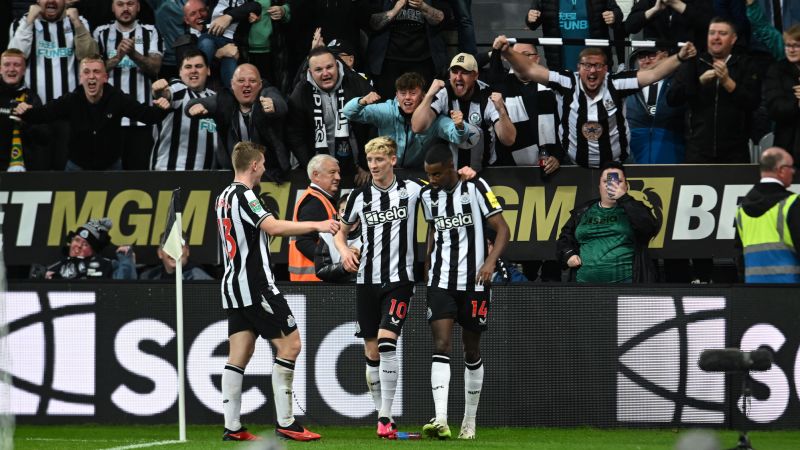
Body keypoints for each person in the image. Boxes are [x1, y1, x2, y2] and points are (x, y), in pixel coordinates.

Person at [215, 141, 338, 441]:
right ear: (255, 165)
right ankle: (286, 422)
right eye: (264, 163)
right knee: (291, 345)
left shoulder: (222, 197)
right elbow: (273, 228)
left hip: (233, 284)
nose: (266, 169)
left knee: (239, 353)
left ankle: (232, 427)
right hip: (257, 285)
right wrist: (317, 225)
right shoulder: (245, 195)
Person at [333, 136, 425, 438]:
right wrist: (345, 251)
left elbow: (444, 192)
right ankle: (381, 420)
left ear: (393, 161)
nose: (373, 165)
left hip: (399, 280)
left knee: (387, 342)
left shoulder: (412, 190)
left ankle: (386, 415)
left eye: (379, 160)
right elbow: (340, 232)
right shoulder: (359, 196)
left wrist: (466, 175)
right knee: (371, 350)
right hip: (366, 281)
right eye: (370, 160)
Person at [494, 35, 697, 169]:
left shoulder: (617, 83)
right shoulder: (567, 81)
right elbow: (529, 69)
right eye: (587, 66)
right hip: (575, 166)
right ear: (578, 67)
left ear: (606, 69)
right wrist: (508, 51)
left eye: (598, 66)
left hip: (617, 164)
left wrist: (680, 56)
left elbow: (653, 73)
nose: (592, 71)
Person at [419, 144, 510, 440]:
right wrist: (428, 265)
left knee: (471, 349)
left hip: (476, 285)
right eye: (428, 175)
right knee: (441, 345)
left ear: (451, 167)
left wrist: (490, 262)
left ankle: (469, 421)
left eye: (436, 174)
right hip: (441, 282)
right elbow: (433, 231)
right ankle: (442, 419)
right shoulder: (427, 197)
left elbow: (503, 229)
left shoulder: (476, 188)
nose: (432, 180)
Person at [13, 55, 171, 171]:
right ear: (81, 78)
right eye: (87, 72)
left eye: (96, 72)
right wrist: (25, 111)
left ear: (105, 77)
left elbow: (148, 116)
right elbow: (43, 114)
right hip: (76, 167)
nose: (91, 77)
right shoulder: (72, 99)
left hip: (111, 167)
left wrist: (162, 105)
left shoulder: (117, 98)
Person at [9, 0, 99, 170]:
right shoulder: (21, 23)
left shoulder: (79, 22)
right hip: (35, 114)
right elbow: (15, 60)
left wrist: (77, 23)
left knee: (66, 175)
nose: (51, 1)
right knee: (38, 174)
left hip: (69, 116)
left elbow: (91, 57)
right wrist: (30, 21)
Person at [666, 17, 761, 164]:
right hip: (697, 150)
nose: (716, 37)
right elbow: (672, 98)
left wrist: (728, 83)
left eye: (722, 33)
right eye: (712, 33)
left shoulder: (746, 64)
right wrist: (699, 83)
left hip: (735, 151)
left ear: (733, 38)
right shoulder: (694, 63)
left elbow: (753, 102)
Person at [556, 161, 660, 282]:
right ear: (599, 186)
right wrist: (568, 254)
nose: (611, 185)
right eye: (606, 181)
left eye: (618, 181)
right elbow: (564, 238)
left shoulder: (634, 208)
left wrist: (624, 198)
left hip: (626, 286)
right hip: (584, 286)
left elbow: (649, 227)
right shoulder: (582, 211)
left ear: (626, 186)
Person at [411, 52, 516, 171]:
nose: (458, 77)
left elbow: (509, 140)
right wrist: (429, 94)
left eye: (465, 72)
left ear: (475, 75)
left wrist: (501, 110)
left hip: (485, 172)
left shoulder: (488, 96)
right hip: (451, 173)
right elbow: (417, 127)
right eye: (454, 72)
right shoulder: (444, 92)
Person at [343, 71, 470, 169]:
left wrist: (460, 126)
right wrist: (361, 101)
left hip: (419, 174)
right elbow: (348, 113)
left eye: (413, 93)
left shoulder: (431, 117)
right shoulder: (386, 111)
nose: (407, 98)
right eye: (403, 93)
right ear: (397, 95)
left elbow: (458, 137)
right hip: (388, 172)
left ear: (423, 95)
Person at [94, 0, 164, 170]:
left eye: (130, 3)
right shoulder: (100, 33)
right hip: (108, 121)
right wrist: (117, 57)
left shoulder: (150, 31)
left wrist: (134, 55)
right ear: (112, 7)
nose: (125, 8)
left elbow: (155, 68)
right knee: (107, 177)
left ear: (138, 7)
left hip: (141, 121)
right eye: (120, 4)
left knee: (139, 176)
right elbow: (92, 73)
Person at [286, 46, 372, 183]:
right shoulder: (300, 93)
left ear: (337, 66)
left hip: (358, 170)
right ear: (310, 72)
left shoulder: (357, 83)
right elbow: (295, 136)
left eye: (329, 67)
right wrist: (312, 168)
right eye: (318, 70)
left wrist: (366, 164)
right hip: (320, 170)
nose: (325, 73)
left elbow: (372, 127)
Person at [186, 63, 289, 176]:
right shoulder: (225, 100)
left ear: (260, 85)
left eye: (252, 81)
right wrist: (193, 107)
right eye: (241, 81)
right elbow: (200, 103)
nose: (247, 85)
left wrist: (274, 105)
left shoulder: (266, 94)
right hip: (233, 173)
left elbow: (280, 103)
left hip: (269, 172)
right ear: (232, 84)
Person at [484, 42, 561, 170]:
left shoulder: (552, 87)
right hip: (513, 171)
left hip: (549, 165)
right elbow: (493, 73)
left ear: (537, 58)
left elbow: (563, 125)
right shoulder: (501, 86)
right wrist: (496, 49)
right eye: (515, 55)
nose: (520, 60)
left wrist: (557, 155)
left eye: (526, 55)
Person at [735, 147, 800, 283]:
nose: (793, 171)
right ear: (781, 170)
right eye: (791, 167)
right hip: (791, 293)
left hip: (756, 293)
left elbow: (739, 257)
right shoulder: (792, 204)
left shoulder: (742, 209)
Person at [363, 0, 449, 100]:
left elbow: (442, 19)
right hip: (387, 61)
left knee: (421, 106)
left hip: (423, 60)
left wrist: (424, 7)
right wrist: (394, 10)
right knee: (388, 105)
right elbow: (372, 23)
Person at [150, 49, 218, 170]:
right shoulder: (179, 90)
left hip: (207, 178)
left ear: (208, 70)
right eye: (188, 67)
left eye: (199, 66)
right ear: (180, 73)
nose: (193, 71)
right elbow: (166, 94)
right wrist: (158, 91)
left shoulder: (215, 98)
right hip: (170, 173)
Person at [625, 46, 687, 164]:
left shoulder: (679, 83)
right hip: (635, 155)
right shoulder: (627, 85)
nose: (647, 61)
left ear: (665, 55)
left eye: (652, 56)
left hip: (671, 152)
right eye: (642, 57)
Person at [525, 0, 626, 71]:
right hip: (559, 64)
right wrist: (530, 18)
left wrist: (614, 16)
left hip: (596, 67)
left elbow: (617, 13)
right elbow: (532, 22)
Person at [288, 154, 341, 281]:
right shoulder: (314, 202)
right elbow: (303, 242)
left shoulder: (317, 199)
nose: (338, 177)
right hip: (315, 283)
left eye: (339, 173)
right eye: (332, 172)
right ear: (316, 175)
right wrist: (331, 262)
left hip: (312, 283)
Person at [35, 217, 137, 280]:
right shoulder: (55, 267)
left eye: (85, 244)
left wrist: (126, 259)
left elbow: (125, 283)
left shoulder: (107, 265)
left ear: (93, 250)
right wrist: (43, 279)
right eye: (77, 240)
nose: (78, 246)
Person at [0, 48, 47, 171]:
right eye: (7, 65)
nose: (11, 69)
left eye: (17, 65)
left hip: (26, 170)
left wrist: (27, 119)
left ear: (24, 70)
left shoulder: (32, 98)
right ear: (0, 69)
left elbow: (44, 137)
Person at [200, 0, 260, 88]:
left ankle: (234, 98)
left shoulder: (247, 3)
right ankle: (195, 87)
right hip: (210, 33)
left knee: (232, 80)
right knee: (206, 45)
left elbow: (255, 6)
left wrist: (229, 17)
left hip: (232, 42)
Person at [764, 24, 800, 162]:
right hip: (786, 148)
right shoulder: (776, 70)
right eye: (787, 45)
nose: (791, 50)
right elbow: (774, 109)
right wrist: (797, 103)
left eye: (796, 45)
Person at [624, 0, 713, 53]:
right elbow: (629, 26)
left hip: (689, 56)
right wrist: (654, 10)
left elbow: (709, 25)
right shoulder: (651, 1)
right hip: (658, 58)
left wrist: (679, 5)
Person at [314, 193, 360, 282]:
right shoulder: (327, 236)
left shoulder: (370, 235)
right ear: (338, 214)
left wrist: (361, 260)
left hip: (362, 290)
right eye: (344, 211)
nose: (350, 216)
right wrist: (345, 266)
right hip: (333, 292)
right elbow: (321, 271)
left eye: (354, 211)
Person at [139, 232, 214, 280]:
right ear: (160, 253)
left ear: (187, 251)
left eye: (178, 246)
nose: (174, 252)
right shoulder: (147, 278)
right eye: (169, 247)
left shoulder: (201, 280)